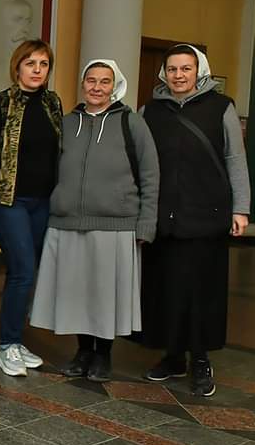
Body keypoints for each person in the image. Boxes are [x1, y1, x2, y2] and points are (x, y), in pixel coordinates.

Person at [30, 60, 159, 382]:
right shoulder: (66, 123)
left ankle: (103, 354)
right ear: (82, 83)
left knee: (104, 295)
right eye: (91, 80)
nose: (97, 87)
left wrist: (146, 224)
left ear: (115, 86)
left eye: (104, 81)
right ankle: (83, 350)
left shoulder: (132, 123)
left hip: (114, 224)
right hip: (67, 223)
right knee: (76, 294)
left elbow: (150, 175)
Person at [140, 44, 250, 397]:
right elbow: (140, 163)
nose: (179, 75)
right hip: (164, 219)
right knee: (166, 289)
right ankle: (172, 356)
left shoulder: (221, 107)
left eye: (186, 69)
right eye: (172, 69)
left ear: (199, 70)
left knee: (202, 292)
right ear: (164, 73)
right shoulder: (150, 110)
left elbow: (235, 159)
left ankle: (200, 358)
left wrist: (241, 208)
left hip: (207, 217)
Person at [0, 39, 63, 377]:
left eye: (43, 64)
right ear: (18, 67)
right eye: (31, 63)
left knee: (28, 272)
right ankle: (6, 345)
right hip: (8, 200)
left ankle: (15, 340)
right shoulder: (0, 102)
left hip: (43, 202)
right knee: (23, 270)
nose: (37, 70)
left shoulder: (53, 103)